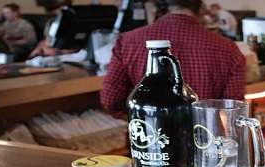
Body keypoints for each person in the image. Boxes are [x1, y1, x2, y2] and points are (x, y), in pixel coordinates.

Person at [100, 0, 246, 117]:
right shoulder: (228, 49)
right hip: (205, 142)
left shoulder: (127, 42)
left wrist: (144, 116)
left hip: (149, 143)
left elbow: (111, 100)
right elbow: (233, 109)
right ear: (200, 7)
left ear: (157, 7)